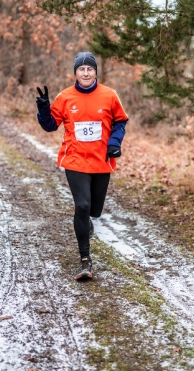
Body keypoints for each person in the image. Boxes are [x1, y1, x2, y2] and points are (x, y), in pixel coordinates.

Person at [35, 52, 128, 280]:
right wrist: (43, 108)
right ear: (75, 72)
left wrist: (114, 143)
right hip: (75, 159)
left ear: (95, 72)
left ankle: (85, 221)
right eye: (81, 69)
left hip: (101, 160)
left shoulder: (109, 95)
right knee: (83, 205)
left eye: (89, 69)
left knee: (94, 211)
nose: (85, 73)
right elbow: (50, 125)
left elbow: (120, 121)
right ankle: (85, 260)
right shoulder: (65, 97)